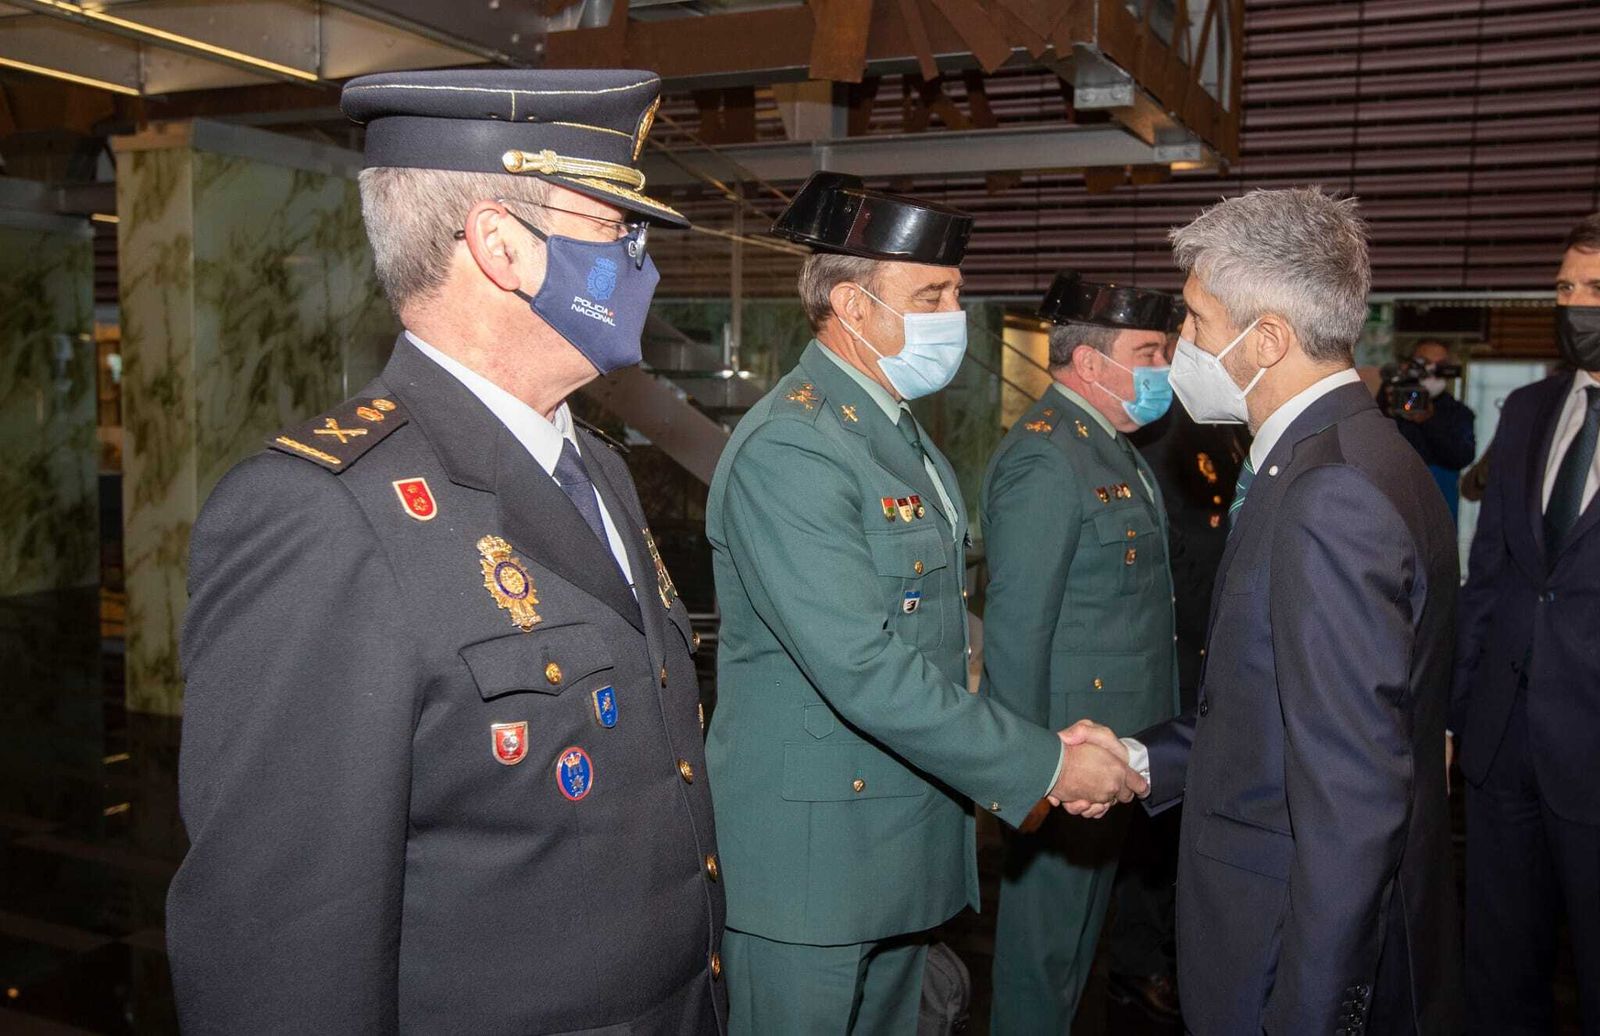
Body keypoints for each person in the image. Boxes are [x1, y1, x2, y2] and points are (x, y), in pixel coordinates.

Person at [166, 70, 728, 1033]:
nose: (646, 265)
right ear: (502, 246)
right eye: (614, 230)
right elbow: (279, 948)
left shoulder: (595, 467)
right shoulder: (321, 514)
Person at [703, 172, 1146, 1034]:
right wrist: (1045, 764)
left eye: (957, 292)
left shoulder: (893, 434)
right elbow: (863, 666)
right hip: (813, 870)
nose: (955, 315)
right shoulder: (795, 445)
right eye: (932, 294)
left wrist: (1039, 745)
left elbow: (932, 650)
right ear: (851, 306)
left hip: (894, 845)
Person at [1089, 186, 1463, 1033]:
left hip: (1285, 949)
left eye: (1194, 321)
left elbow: (1352, 797)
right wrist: (1141, 761)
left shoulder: (1331, 493)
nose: (1181, 344)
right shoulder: (1352, 457)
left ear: (1267, 339)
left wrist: (1311, 1013)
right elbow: (1282, 705)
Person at [981, 273, 1184, 1033]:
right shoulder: (1048, 458)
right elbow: (1017, 632)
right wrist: (1026, 771)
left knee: (1074, 958)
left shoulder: (1109, 447)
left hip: (1112, 762)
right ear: (1093, 365)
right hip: (1066, 762)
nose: (1164, 366)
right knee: (1043, 962)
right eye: (1150, 351)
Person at [1454, 211, 1600, 1034]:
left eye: (1596, 290)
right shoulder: (1529, 410)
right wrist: (1458, 718)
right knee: (1499, 970)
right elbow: (1493, 578)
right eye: (1565, 289)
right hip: (1503, 746)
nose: (1577, 305)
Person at [1389, 338, 1476, 520]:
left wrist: (1430, 420)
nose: (1430, 371)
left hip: (1437, 514)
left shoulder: (1457, 413)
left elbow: (1462, 456)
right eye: (1424, 363)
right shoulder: (1386, 407)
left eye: (1440, 365)